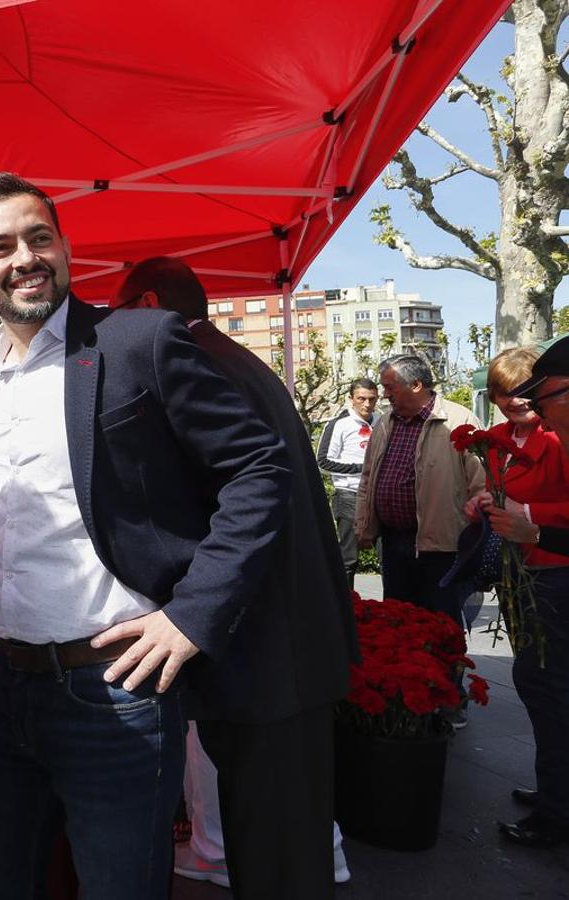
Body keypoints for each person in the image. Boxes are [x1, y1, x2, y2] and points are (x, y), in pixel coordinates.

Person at [0, 174, 291, 899]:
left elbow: (261, 468)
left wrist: (193, 615)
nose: (26, 258)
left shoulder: (138, 340)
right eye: (2, 246)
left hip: (116, 693)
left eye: (40, 237)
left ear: (64, 247)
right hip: (3, 687)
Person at [115, 256, 357, 897]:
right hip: (288, 640)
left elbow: (228, 501)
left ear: (145, 306)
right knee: (282, 837)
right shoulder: (229, 357)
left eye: (119, 313)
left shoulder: (196, 363)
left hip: (266, 648)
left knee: (275, 847)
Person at [476, 342, 569, 849]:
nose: (521, 404)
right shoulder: (499, 440)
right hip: (523, 573)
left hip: (551, 574)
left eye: (530, 395)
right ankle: (556, 791)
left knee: (545, 685)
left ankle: (558, 808)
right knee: (539, 685)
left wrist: (526, 515)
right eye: (508, 395)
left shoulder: (558, 439)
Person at [355, 354, 483, 626]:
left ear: (415, 385)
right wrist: (363, 526)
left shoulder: (458, 419)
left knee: (441, 622)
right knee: (398, 621)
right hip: (393, 542)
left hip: (442, 546)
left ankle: (447, 670)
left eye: (390, 387)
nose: (384, 395)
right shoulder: (385, 422)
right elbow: (368, 477)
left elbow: (481, 484)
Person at [318, 378, 379, 587]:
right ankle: (347, 611)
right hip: (348, 494)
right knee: (349, 559)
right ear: (351, 399)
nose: (367, 404)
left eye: (372, 399)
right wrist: (359, 469)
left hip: (378, 496)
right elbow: (323, 462)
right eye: (361, 399)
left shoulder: (381, 421)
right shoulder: (339, 424)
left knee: (388, 557)